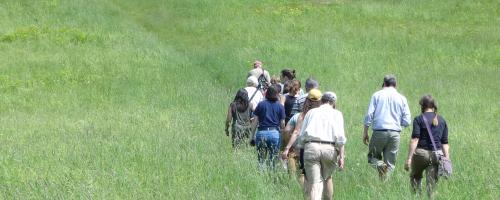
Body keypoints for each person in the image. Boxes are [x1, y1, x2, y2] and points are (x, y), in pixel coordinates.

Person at [292, 91, 346, 200]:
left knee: (315, 183)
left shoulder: (311, 112)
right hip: (329, 148)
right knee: (327, 178)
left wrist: (300, 149)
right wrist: (341, 156)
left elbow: (302, 134)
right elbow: (340, 138)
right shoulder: (337, 114)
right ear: (334, 102)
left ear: (321, 100)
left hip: (311, 147)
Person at [363, 74, 411, 181]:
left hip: (379, 131)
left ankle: (379, 164)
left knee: (372, 158)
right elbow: (407, 120)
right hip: (395, 133)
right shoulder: (402, 98)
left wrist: (365, 131)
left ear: (384, 83)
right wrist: (398, 123)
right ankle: (384, 185)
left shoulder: (376, 95)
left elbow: (369, 114)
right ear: (396, 85)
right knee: (390, 164)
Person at [404, 95, 449, 198]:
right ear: (434, 106)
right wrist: (447, 159)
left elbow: (415, 140)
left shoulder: (418, 119)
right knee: (431, 186)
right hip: (436, 155)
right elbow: (445, 143)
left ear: (422, 106)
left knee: (415, 177)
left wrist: (409, 159)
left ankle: (416, 197)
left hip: (420, 154)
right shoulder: (442, 120)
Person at [281, 89, 323, 193]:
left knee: (299, 174)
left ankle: (298, 192)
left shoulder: (300, 116)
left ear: (307, 101)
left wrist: (287, 147)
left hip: (299, 149)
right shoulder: (323, 116)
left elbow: (288, 131)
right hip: (320, 149)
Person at [251, 85, 285, 170]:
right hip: (274, 133)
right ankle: (271, 178)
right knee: (273, 159)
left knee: (261, 159)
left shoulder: (261, 105)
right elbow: (282, 123)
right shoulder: (280, 106)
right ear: (277, 94)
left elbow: (255, 121)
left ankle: (261, 178)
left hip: (261, 133)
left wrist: (252, 136)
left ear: (266, 94)